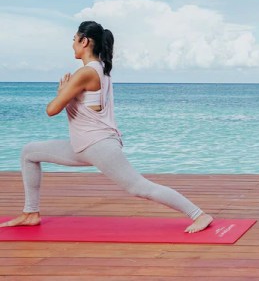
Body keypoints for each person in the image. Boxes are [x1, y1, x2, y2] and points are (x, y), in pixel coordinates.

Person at [0, 21, 213, 233]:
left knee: (138, 187)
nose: (72, 44)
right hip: (84, 145)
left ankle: (199, 215)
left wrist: (61, 92)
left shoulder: (85, 73)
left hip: (97, 145)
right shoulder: (100, 68)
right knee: (29, 153)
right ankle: (31, 212)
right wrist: (65, 93)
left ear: (84, 41)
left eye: (74, 40)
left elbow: (51, 109)